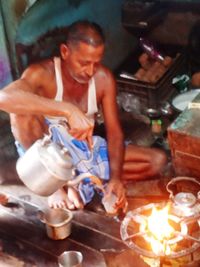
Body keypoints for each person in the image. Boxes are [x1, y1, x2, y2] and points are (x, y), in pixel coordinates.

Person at [0, 20, 167, 211]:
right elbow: (3, 98)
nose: (90, 71)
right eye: (84, 63)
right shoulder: (42, 74)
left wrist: (116, 178)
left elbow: (114, 134)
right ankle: (55, 186)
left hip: (87, 153)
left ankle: (89, 184)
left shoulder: (103, 79)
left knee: (157, 161)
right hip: (50, 157)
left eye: (96, 63)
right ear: (65, 52)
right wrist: (66, 110)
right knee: (20, 111)